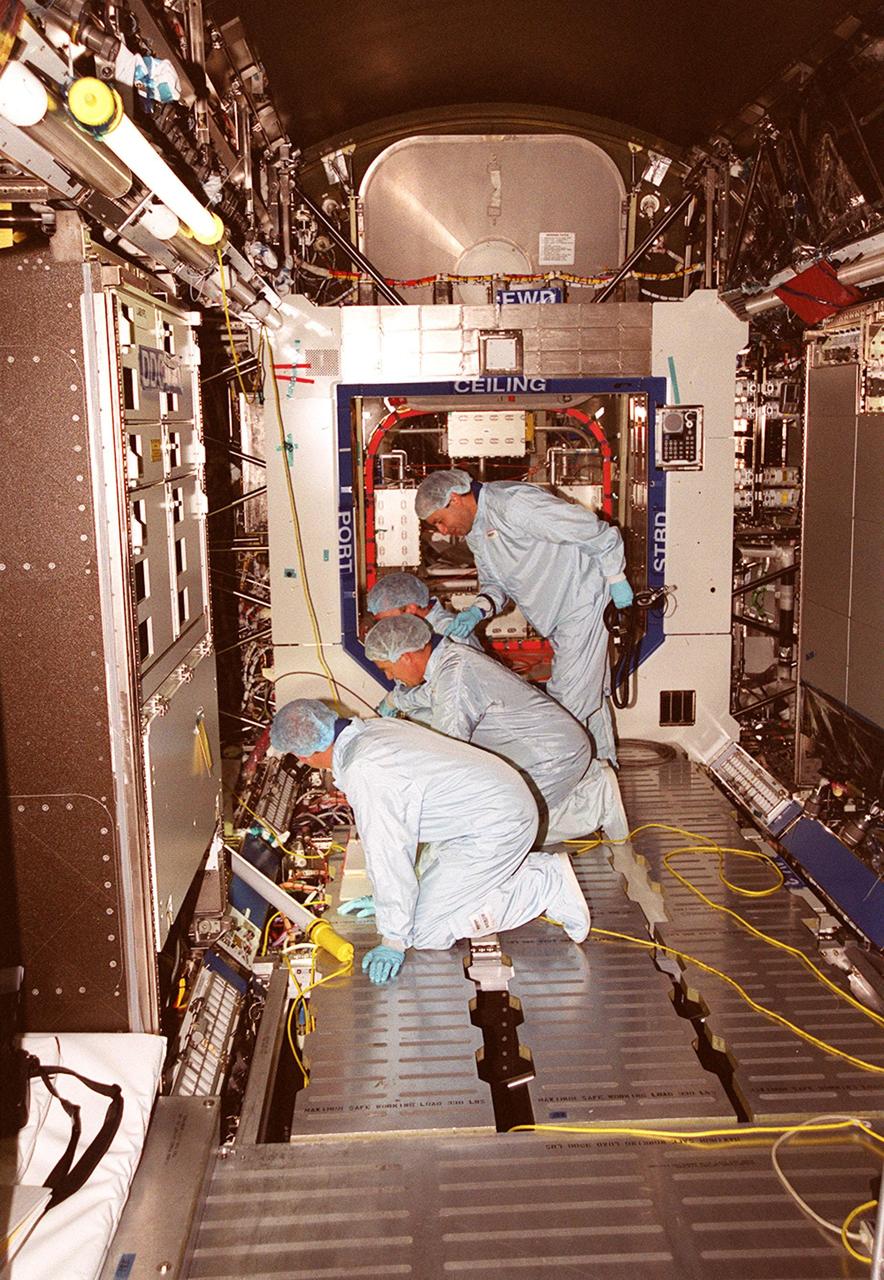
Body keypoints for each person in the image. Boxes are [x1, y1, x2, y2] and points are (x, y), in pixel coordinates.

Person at [270, 698, 592, 984]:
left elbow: (390, 853)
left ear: (307, 754)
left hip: (496, 826)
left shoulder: (366, 769)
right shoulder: (372, 732)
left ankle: (545, 882)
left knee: (423, 931)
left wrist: (393, 939)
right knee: (413, 907)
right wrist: (385, 902)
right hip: (482, 816)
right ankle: (529, 874)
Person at [414, 468, 634, 764]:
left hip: (583, 601)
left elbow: (591, 531)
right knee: (587, 702)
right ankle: (601, 776)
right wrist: (478, 609)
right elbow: (496, 583)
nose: (441, 531)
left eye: (439, 520)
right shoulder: (477, 530)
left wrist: (615, 575)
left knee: (568, 708)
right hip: (558, 616)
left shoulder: (514, 504)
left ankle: (570, 783)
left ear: (454, 498)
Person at [363, 614, 628, 842]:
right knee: (492, 817)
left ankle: (597, 801)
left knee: (497, 832)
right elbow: (427, 698)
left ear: (407, 657)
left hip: (553, 757)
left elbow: (448, 751)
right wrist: (394, 700)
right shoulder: (451, 660)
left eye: (387, 669)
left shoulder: (455, 677)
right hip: (547, 749)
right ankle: (589, 790)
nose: (389, 677)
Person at [365, 571, 478, 720]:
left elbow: (451, 690)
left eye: (385, 621)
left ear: (410, 609)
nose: (385, 628)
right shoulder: (406, 636)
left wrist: (396, 700)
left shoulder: (452, 632)